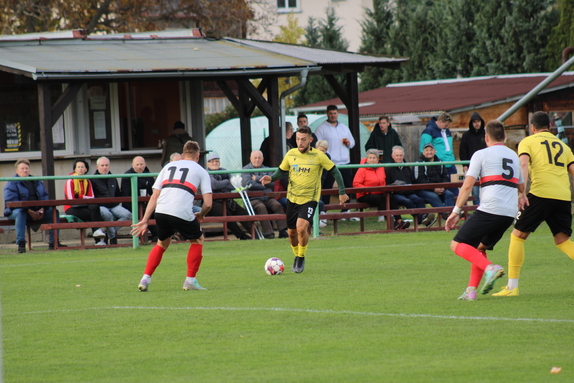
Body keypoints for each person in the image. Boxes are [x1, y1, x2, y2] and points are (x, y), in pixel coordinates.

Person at [493, 111, 574, 297]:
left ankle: (512, 287)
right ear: (550, 127)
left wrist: (522, 192)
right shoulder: (563, 145)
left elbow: (523, 165)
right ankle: (511, 287)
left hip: (540, 194)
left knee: (517, 236)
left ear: (532, 127)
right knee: (563, 241)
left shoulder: (528, 142)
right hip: (563, 196)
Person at [446, 120, 525, 301]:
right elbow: (521, 185)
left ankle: (490, 268)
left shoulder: (481, 154)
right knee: (479, 247)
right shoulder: (513, 155)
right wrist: (523, 195)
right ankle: (471, 291)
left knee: (457, 244)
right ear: (504, 137)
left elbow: (467, 187)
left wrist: (456, 211)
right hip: (508, 213)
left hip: (490, 208)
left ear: (486, 138)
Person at [261, 125, 349, 273]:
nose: (300, 142)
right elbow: (280, 172)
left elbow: (336, 172)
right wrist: (271, 177)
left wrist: (342, 191)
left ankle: (301, 257)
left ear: (310, 140)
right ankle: (296, 255)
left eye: (303, 139)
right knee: (291, 233)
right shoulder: (291, 154)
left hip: (309, 198)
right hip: (292, 198)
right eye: (297, 139)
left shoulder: (319, 156)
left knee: (301, 228)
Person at [132, 140, 213, 292]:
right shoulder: (201, 170)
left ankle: (145, 278)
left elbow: (155, 195)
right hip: (181, 210)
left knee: (162, 243)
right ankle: (190, 280)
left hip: (161, 210)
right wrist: (201, 214)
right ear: (197, 156)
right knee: (197, 239)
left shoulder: (168, 166)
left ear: (182, 155)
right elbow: (208, 203)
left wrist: (144, 220)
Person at [4, 158, 65, 252]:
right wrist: (28, 210)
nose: (25, 170)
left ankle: (54, 242)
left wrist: (42, 209)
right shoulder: (11, 182)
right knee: (20, 212)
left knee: (54, 212)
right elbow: (12, 201)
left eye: (26, 168)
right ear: (17, 171)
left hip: (37, 211)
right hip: (17, 211)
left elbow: (45, 196)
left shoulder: (37, 181)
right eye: (22, 168)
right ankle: (21, 244)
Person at [353, 149, 415, 226]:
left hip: (380, 193)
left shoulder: (381, 168)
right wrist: (369, 190)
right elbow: (356, 184)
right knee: (382, 199)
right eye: (370, 158)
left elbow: (384, 181)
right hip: (365, 194)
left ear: (378, 159)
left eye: (374, 158)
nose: (372, 160)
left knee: (390, 197)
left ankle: (399, 220)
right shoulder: (362, 169)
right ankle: (391, 223)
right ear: (367, 159)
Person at [241, 150, 288, 239]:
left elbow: (272, 183)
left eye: (259, 158)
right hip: (253, 199)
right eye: (255, 158)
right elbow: (247, 184)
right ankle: (268, 233)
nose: (257, 160)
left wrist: (256, 178)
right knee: (261, 207)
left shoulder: (267, 168)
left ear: (262, 159)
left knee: (277, 205)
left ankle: (282, 231)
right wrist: (264, 184)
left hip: (267, 197)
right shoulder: (245, 169)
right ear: (251, 159)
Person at [206, 152, 252, 240]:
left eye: (217, 161)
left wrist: (225, 183)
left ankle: (255, 234)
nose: (215, 163)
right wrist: (227, 181)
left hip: (227, 200)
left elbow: (234, 184)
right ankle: (241, 236)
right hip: (213, 202)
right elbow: (214, 185)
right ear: (207, 163)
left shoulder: (224, 170)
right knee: (227, 214)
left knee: (242, 212)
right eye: (212, 161)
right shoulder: (206, 172)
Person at [63, 159, 107, 246]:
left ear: (86, 169)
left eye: (82, 167)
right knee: (93, 214)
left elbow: (92, 197)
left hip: (84, 205)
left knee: (95, 207)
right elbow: (71, 199)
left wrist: (80, 197)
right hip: (71, 207)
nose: (80, 169)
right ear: (75, 169)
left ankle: (98, 236)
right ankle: (98, 239)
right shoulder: (70, 181)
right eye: (78, 167)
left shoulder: (88, 181)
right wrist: (83, 198)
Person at [91, 156, 132, 245]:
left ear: (109, 166)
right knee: (107, 215)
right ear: (97, 167)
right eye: (102, 165)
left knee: (128, 215)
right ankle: (113, 238)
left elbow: (117, 193)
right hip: (101, 206)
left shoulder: (113, 177)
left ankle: (108, 233)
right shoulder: (93, 179)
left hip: (114, 205)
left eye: (106, 165)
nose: (105, 167)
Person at [314, 105, 355, 190]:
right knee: (326, 188)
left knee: (347, 188)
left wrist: (349, 143)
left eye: (334, 113)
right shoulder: (321, 128)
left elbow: (353, 142)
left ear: (338, 114)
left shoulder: (344, 127)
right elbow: (316, 145)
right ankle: (325, 203)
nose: (333, 115)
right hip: (330, 163)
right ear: (327, 114)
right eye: (331, 113)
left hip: (345, 163)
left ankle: (346, 203)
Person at [385, 146, 427, 230]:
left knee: (419, 200)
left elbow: (412, 180)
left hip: (409, 192)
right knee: (407, 201)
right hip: (397, 193)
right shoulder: (388, 168)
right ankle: (421, 219)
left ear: (403, 156)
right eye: (397, 155)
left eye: (401, 155)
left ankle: (424, 217)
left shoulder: (407, 167)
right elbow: (387, 183)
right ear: (393, 156)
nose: (399, 157)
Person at [420, 112, 458, 196]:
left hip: (451, 163)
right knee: (443, 191)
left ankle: (457, 208)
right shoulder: (429, 131)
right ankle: (445, 208)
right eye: (445, 125)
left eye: (448, 125)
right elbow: (424, 149)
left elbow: (449, 147)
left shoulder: (447, 130)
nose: (447, 127)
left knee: (455, 190)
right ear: (440, 122)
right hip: (439, 165)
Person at [120, 156, 158, 242]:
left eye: (141, 164)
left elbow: (153, 192)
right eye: (137, 164)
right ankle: (144, 238)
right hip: (131, 205)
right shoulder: (127, 176)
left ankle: (156, 236)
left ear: (145, 164)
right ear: (132, 165)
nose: (139, 167)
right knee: (144, 213)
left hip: (147, 203)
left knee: (154, 212)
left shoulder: (149, 175)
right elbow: (125, 194)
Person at [414, 142, 454, 221]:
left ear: (435, 151)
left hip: (440, 189)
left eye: (431, 150)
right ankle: (446, 215)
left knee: (450, 194)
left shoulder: (440, 162)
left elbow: (445, 177)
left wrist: (443, 187)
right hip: (424, 190)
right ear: (423, 152)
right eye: (427, 150)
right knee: (433, 196)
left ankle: (449, 215)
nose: (429, 152)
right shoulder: (418, 163)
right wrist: (433, 189)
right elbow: (419, 180)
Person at [459, 112, 486, 204]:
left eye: (478, 121)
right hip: (472, 165)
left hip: (486, 165)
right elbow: (463, 150)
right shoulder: (466, 135)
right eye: (474, 122)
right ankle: (476, 208)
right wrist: (464, 165)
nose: (477, 123)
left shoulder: (486, 134)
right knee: (474, 189)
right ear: (471, 123)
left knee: (485, 188)